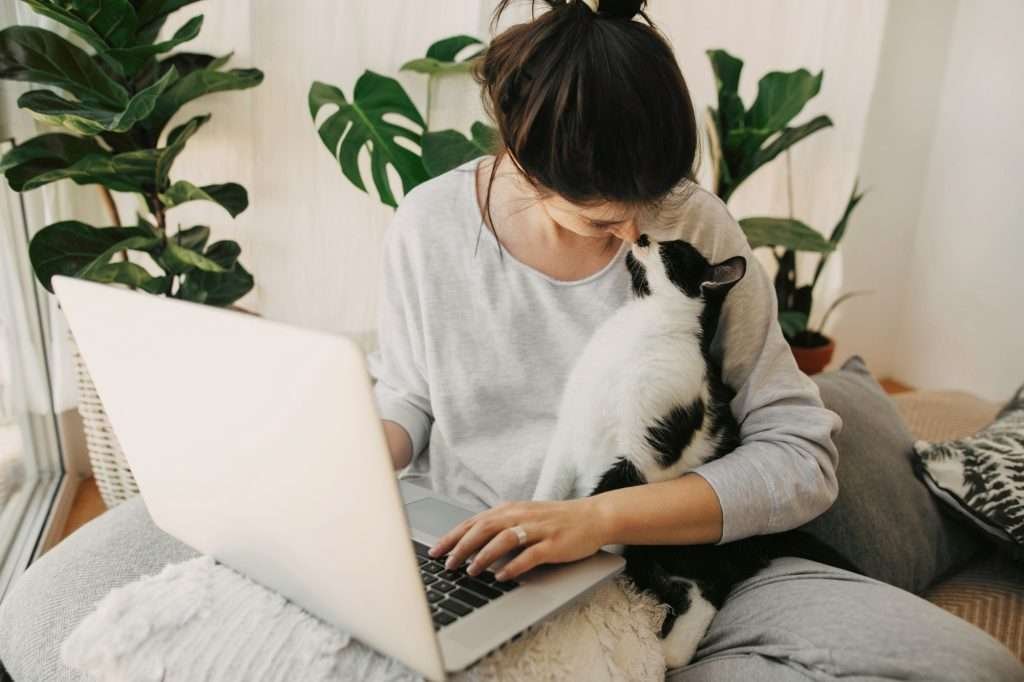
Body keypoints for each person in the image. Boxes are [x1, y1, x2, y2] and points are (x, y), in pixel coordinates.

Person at [367, 1, 1021, 679]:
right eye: (600, 222)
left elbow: (799, 454)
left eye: (646, 207)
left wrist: (598, 519)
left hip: (683, 556)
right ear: (523, 161)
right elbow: (410, 393)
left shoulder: (694, 223)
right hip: (499, 563)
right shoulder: (430, 225)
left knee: (969, 666)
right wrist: (352, 455)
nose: (632, 237)